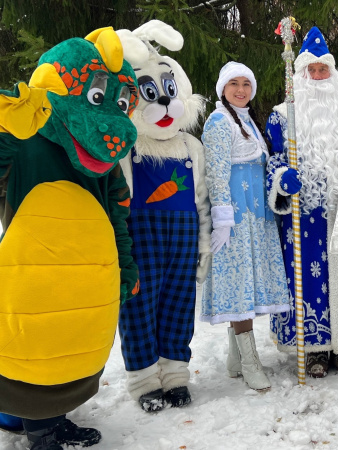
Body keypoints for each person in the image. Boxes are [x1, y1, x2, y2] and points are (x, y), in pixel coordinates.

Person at [0, 29, 139, 450]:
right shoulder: (27, 139)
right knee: (32, 349)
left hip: (85, 279)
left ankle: (55, 422)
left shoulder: (104, 165)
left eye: (121, 103)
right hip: (31, 276)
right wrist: (7, 132)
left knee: (69, 346)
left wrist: (125, 268)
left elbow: (117, 217)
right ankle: (40, 432)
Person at [266, 27, 338, 378]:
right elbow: (271, 161)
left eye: (323, 70)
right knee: (307, 281)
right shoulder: (283, 116)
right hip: (303, 215)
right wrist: (282, 180)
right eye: (311, 70)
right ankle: (314, 350)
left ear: (333, 74)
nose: (317, 76)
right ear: (300, 75)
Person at [115, 21, 210, 412]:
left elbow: (201, 198)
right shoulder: (128, 146)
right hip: (142, 238)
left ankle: (174, 376)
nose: (165, 103)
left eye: (169, 92)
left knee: (178, 304)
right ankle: (143, 381)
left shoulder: (191, 145)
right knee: (139, 307)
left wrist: (204, 246)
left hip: (184, 239)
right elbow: (116, 200)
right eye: (151, 94)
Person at [200, 62, 292, 391]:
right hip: (236, 220)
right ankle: (251, 362)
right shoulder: (218, 121)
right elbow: (215, 172)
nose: (241, 90)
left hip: (258, 218)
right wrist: (223, 219)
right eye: (234, 84)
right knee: (240, 289)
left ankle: (235, 358)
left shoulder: (249, 121)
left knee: (249, 288)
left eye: (246, 84)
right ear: (222, 89)